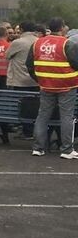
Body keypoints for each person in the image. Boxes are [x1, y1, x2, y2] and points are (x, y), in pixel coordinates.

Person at [27, 17, 78, 158]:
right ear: (62, 28)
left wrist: (40, 79)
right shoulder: (67, 44)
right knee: (66, 117)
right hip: (67, 85)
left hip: (45, 85)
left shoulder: (37, 43)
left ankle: (38, 148)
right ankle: (67, 150)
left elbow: (29, 65)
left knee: (42, 116)